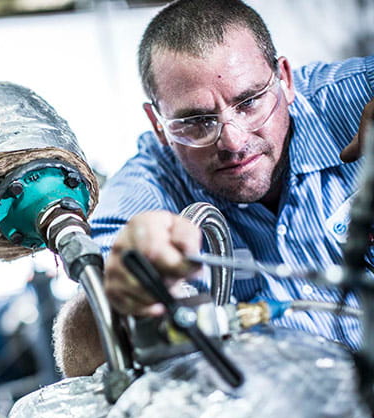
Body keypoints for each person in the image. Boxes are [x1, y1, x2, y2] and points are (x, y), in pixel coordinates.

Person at [53, 0, 374, 377]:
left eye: (250, 102)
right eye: (196, 121)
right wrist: (122, 291)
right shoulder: (150, 186)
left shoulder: (357, 99)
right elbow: (82, 359)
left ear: (284, 79)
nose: (233, 142)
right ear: (158, 124)